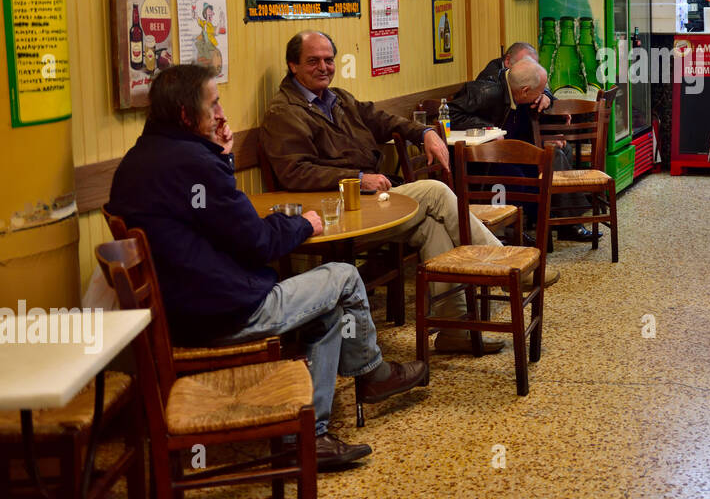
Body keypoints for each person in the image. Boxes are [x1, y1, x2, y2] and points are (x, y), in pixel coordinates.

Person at [106, 64, 427, 471]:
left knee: (327, 313)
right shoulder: (194, 165)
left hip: (177, 312)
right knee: (344, 276)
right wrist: (302, 223)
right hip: (221, 314)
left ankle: (312, 433)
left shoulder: (140, 158)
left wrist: (219, 157)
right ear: (187, 117)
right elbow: (256, 243)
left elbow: (220, 228)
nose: (222, 114)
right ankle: (372, 373)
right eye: (214, 103)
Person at [260, 31, 506, 353]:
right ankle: (505, 266)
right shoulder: (284, 112)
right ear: (293, 66)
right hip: (336, 209)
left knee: (431, 226)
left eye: (329, 59)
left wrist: (427, 132)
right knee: (435, 191)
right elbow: (295, 173)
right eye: (313, 61)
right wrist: (358, 178)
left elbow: (384, 119)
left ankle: (453, 331)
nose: (324, 67)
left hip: (373, 199)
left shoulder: (340, 99)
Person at [450, 57, 597, 243]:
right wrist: (490, 129)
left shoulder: (522, 89)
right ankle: (513, 230)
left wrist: (548, 97)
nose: (542, 94)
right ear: (525, 91)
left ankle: (565, 223)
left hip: (517, 148)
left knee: (553, 156)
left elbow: (544, 96)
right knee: (511, 171)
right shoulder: (485, 91)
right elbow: (450, 113)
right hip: (487, 157)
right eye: (540, 91)